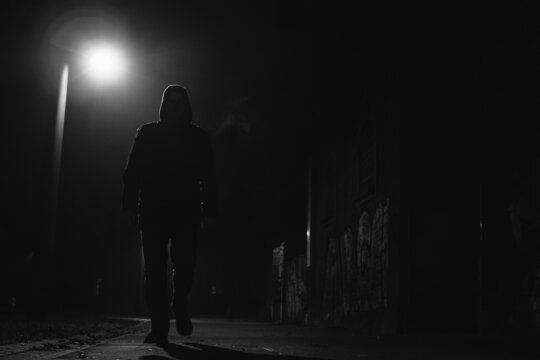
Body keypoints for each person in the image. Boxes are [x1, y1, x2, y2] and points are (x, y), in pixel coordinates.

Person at [122, 84, 217, 344]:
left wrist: (208, 210)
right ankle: (159, 326)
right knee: (154, 270)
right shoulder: (148, 133)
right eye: (170, 101)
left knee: (185, 264)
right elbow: (133, 172)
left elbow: (209, 177)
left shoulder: (199, 138)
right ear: (164, 105)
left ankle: (181, 302)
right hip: (153, 210)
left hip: (186, 211)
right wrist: (129, 205)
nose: (175, 106)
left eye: (179, 102)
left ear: (186, 106)